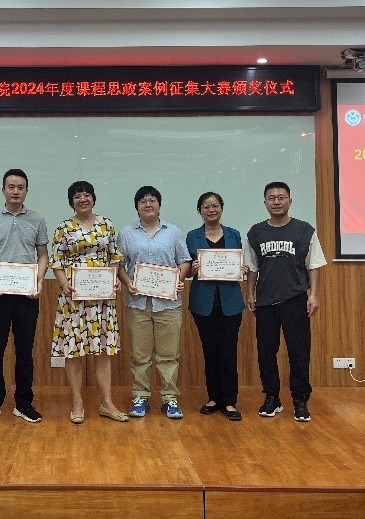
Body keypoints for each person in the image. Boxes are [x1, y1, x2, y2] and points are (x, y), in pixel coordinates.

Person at [245, 181, 327, 422]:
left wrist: (314, 294)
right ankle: (272, 398)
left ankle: (300, 400)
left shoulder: (304, 230)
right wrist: (249, 293)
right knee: (266, 353)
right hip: (265, 302)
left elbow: (313, 265)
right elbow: (252, 267)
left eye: (281, 197)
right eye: (271, 198)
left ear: (290, 201)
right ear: (265, 203)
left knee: (299, 352)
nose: (276, 202)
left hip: (295, 299)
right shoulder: (256, 232)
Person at [50, 180, 128, 424]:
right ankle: (77, 402)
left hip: (102, 298)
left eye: (86, 195)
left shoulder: (107, 225)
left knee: (103, 350)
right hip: (73, 297)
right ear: (71, 201)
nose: (82, 199)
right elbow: (57, 261)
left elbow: (114, 257)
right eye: (77, 196)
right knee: (73, 350)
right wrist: (64, 283)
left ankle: (107, 403)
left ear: (93, 198)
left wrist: (114, 280)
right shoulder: (64, 227)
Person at [0, 168, 49, 424]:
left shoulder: (37, 219)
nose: (15, 191)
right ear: (3, 190)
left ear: (26, 191)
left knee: (25, 350)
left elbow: (43, 255)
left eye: (20, 187)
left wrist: (39, 280)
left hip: (27, 295)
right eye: (11, 187)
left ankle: (23, 402)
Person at [116, 186, 191, 419]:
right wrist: (128, 283)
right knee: (140, 355)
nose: (148, 204)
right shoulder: (126, 233)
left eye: (152, 200)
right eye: (143, 201)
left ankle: (169, 398)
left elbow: (184, 261)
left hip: (168, 304)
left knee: (168, 354)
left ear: (159, 205)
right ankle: (140, 397)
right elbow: (119, 265)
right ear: (136, 207)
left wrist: (178, 280)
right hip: (138, 303)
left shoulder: (173, 232)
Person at [186, 192, 246, 421]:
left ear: (221, 208)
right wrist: (193, 269)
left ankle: (229, 401)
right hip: (203, 303)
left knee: (229, 351)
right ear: (199, 211)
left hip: (230, 302)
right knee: (209, 350)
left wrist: (241, 268)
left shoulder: (234, 234)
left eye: (215, 206)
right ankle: (213, 398)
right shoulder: (192, 236)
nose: (211, 210)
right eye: (206, 206)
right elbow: (186, 268)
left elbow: (239, 263)